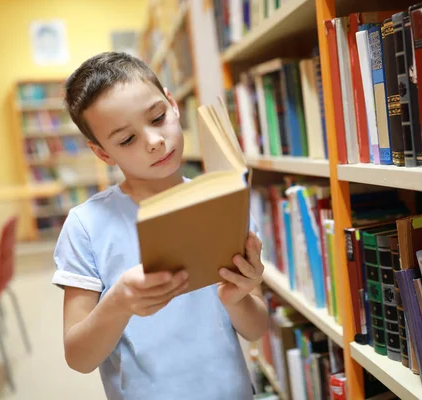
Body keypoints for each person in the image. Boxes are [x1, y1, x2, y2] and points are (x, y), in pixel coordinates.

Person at [52, 52, 268, 400]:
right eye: (126, 140)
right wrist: (118, 303)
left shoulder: (223, 200)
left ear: (172, 103)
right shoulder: (86, 225)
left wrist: (238, 298)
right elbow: (78, 358)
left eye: (158, 117)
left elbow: (256, 329)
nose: (154, 141)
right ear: (103, 153)